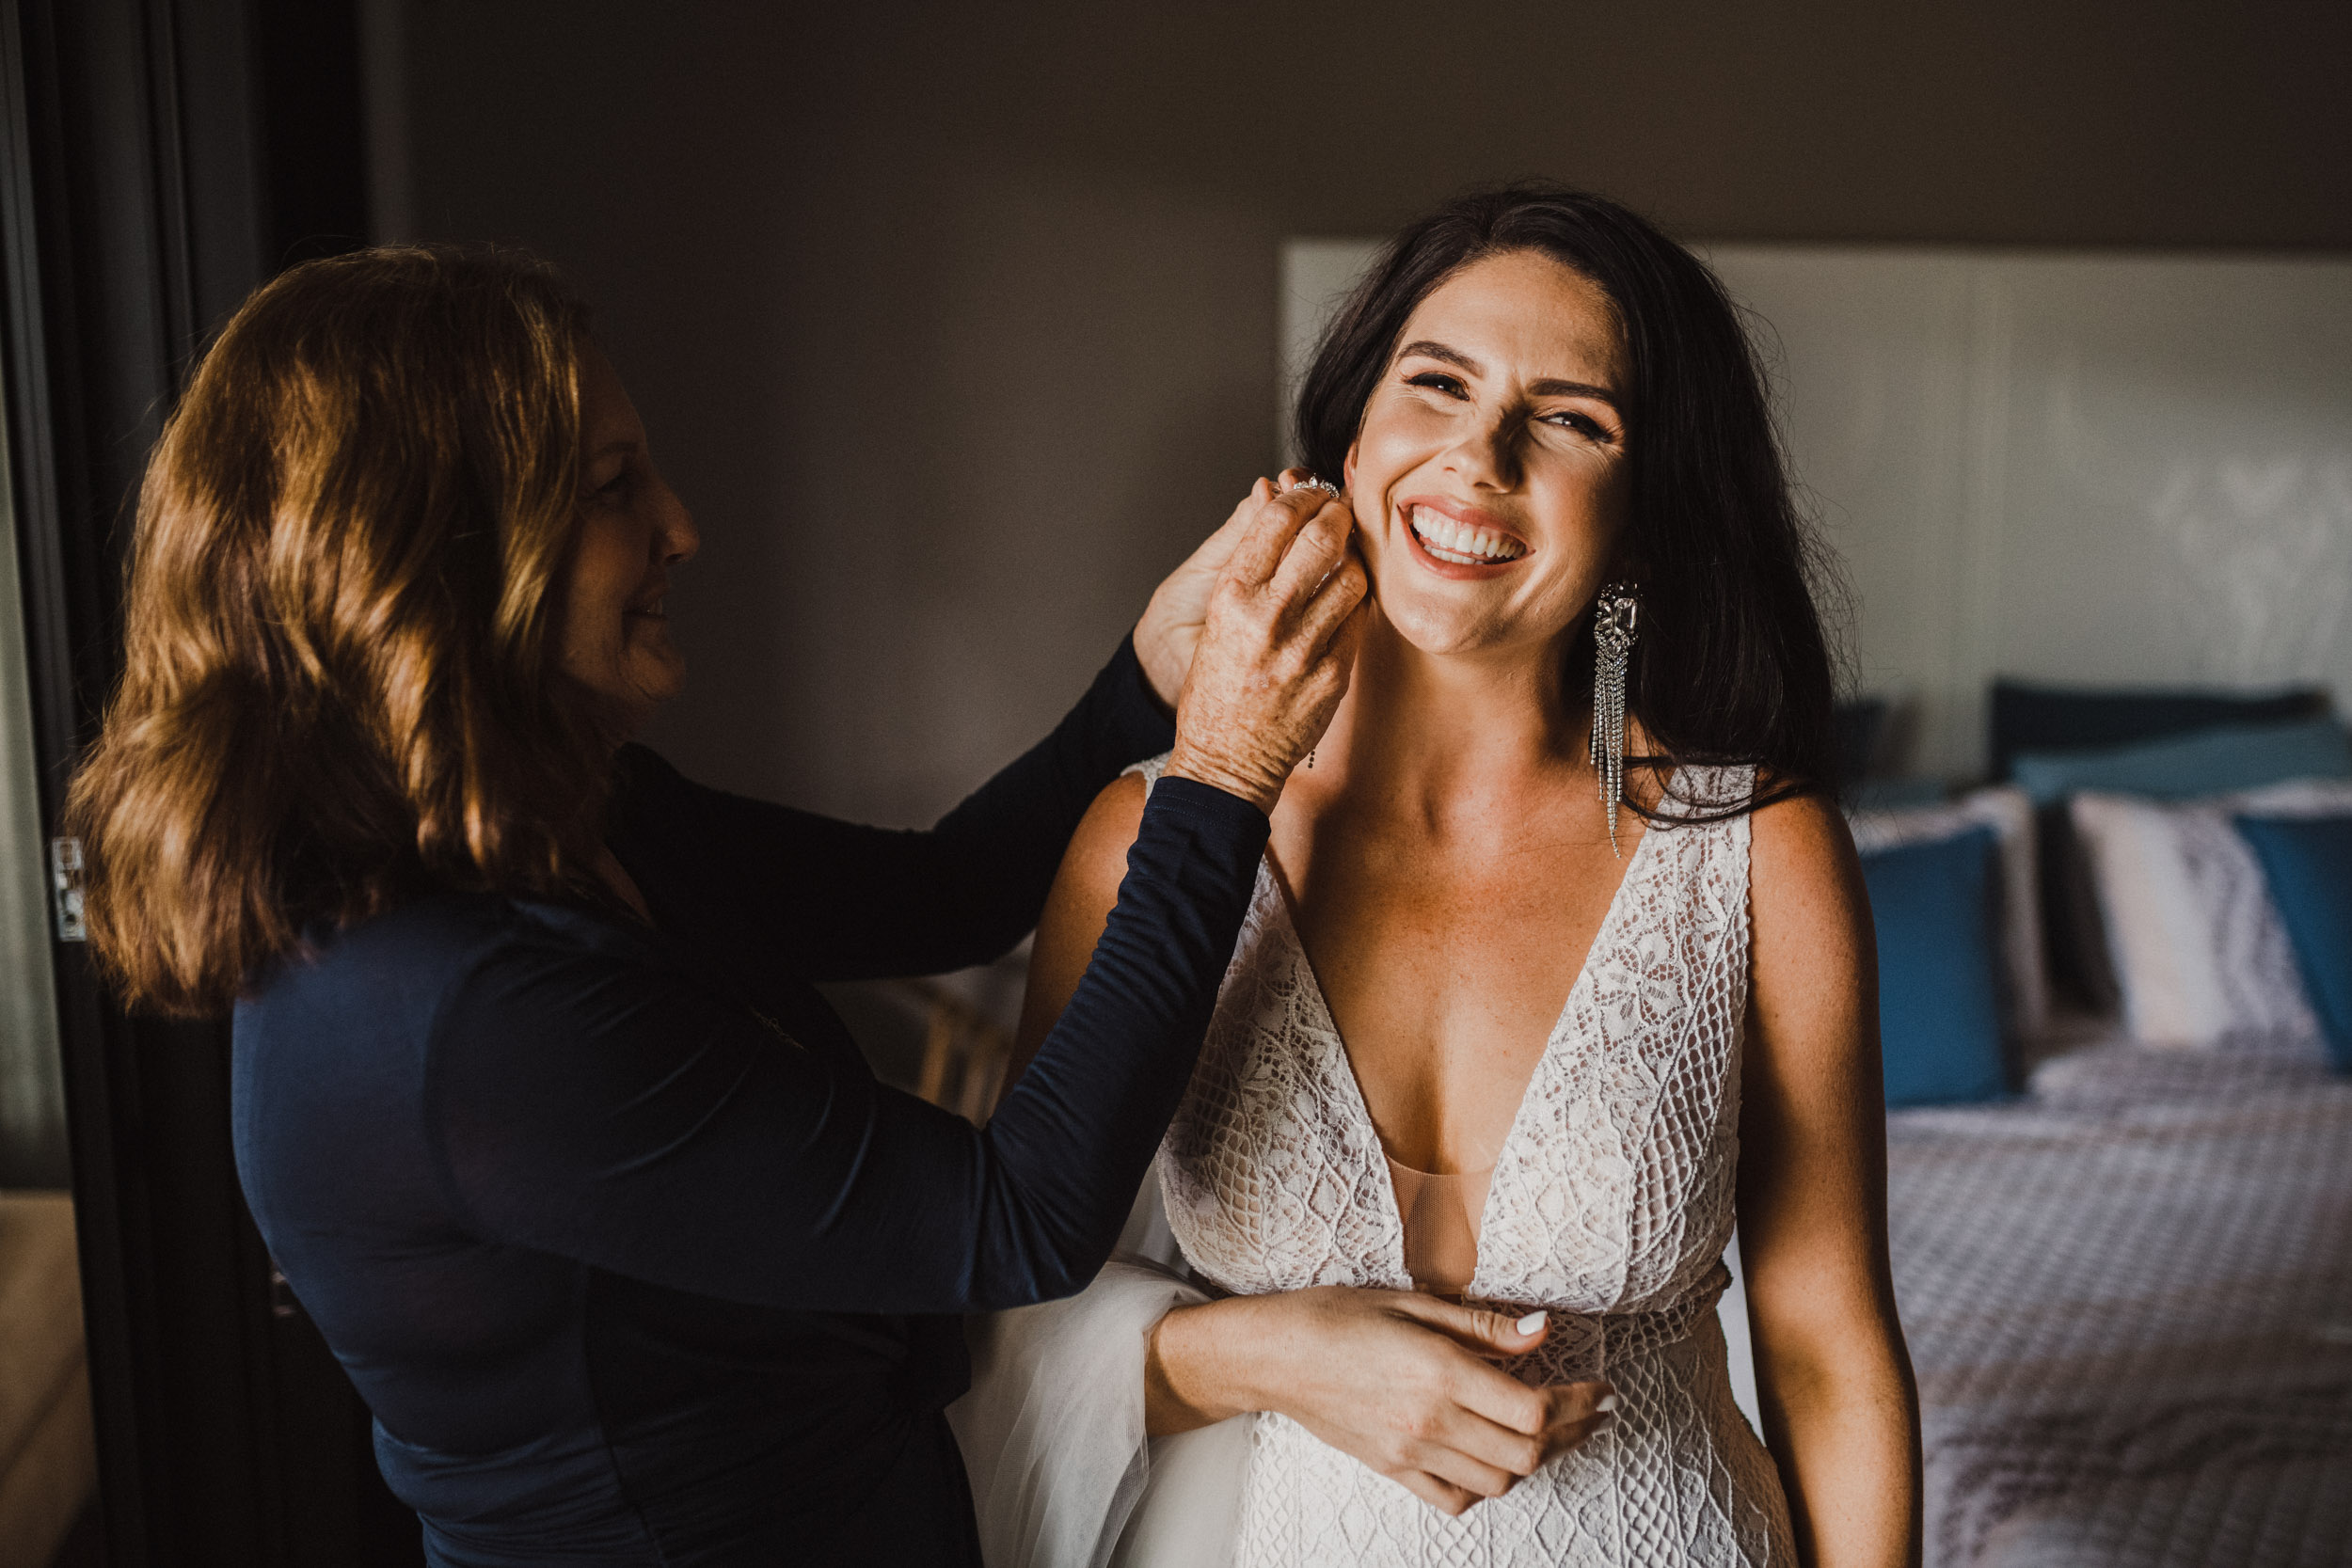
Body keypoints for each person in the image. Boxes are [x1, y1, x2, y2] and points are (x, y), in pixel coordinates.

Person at [61, 245, 1369, 1566]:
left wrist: (1153, 672)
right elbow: (1017, 1218)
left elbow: (941, 894)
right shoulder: (459, 1019)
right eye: (615, 490)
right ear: (439, 559)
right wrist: (1223, 774)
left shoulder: (568, 817)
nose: (680, 526)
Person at [959, 185, 1923, 1567]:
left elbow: (1832, 1353)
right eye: (1437, 384)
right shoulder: (1141, 844)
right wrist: (1270, 1355)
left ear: (1644, 522)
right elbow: (1010, 1300)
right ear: (1351, 448)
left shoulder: (1760, 854)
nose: (1480, 454)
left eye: (1573, 418)